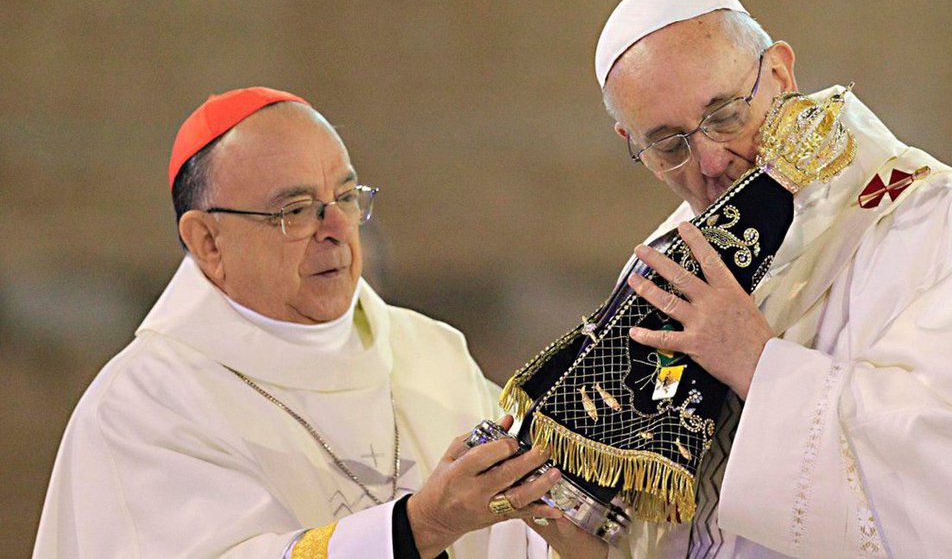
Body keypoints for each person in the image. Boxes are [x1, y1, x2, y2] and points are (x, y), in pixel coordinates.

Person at [552, 0, 952, 558]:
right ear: (632, 143)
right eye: (669, 143)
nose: (710, 160)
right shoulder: (664, 268)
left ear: (780, 73)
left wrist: (759, 364)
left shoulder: (937, 225)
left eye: (725, 114)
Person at [33, 87, 566, 558]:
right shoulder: (145, 405)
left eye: (346, 198)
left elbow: (522, 533)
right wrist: (418, 527)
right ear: (207, 243)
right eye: (295, 210)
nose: (336, 227)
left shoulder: (428, 351)